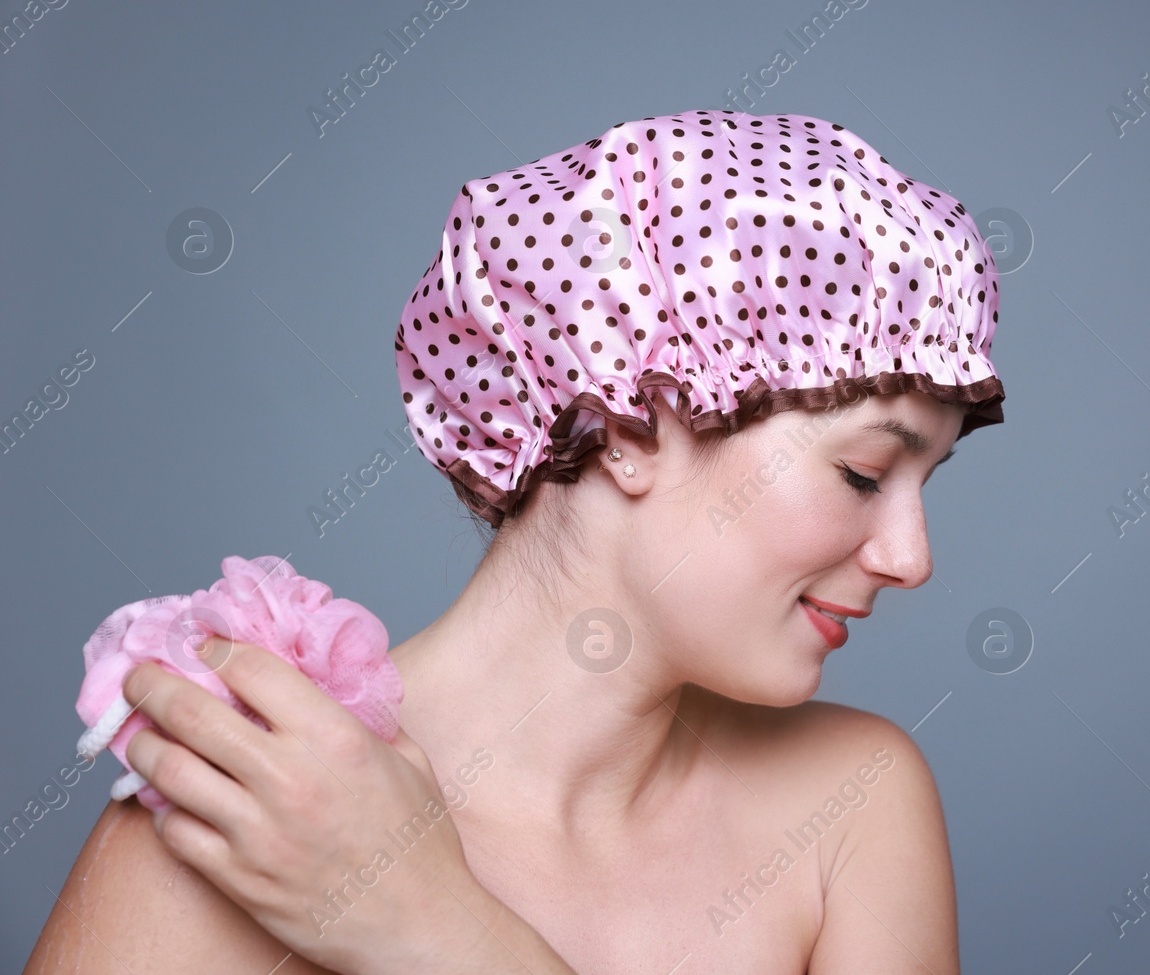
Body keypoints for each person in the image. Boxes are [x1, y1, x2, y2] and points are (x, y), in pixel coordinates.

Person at [25, 109, 1006, 973]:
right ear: (631, 425)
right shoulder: (241, 807)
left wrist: (440, 932)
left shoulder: (850, 810)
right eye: (864, 474)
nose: (911, 558)